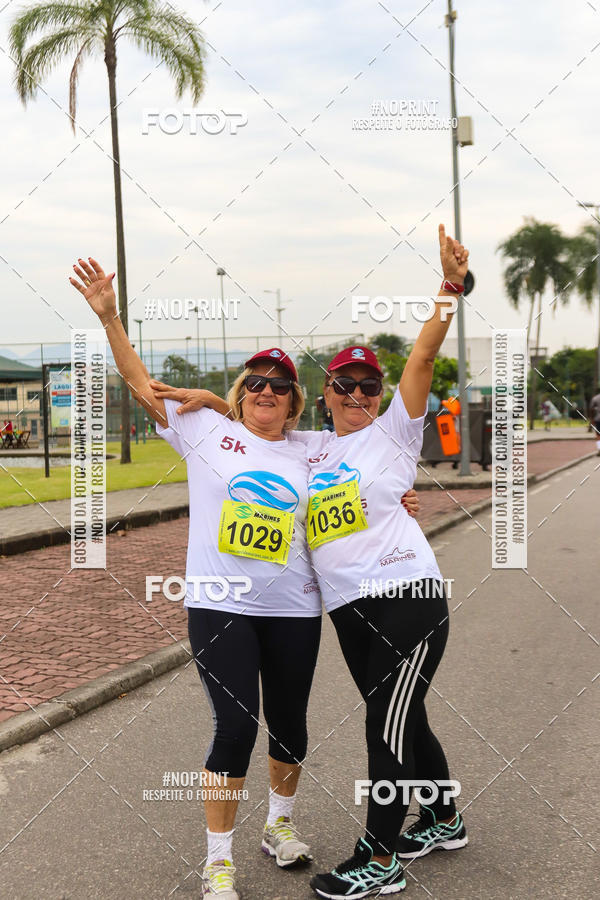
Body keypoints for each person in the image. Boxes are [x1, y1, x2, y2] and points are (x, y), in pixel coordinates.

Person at [153, 224, 462, 898]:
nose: (358, 395)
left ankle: (379, 856)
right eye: (345, 385)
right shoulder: (311, 447)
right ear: (324, 396)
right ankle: (443, 814)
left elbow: (424, 359)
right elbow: (257, 432)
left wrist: (446, 290)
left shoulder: (396, 430)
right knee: (402, 713)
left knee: (387, 720)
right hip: (346, 606)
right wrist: (214, 403)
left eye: (368, 386)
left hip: (405, 596)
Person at [69, 258, 321, 900]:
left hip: (295, 606)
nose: (268, 391)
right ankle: (218, 862)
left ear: (294, 401)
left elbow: (369, 471)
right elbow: (141, 383)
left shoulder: (310, 450)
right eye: (257, 382)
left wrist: (400, 503)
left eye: (280, 386)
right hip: (220, 606)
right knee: (236, 728)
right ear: (244, 391)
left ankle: (279, 826)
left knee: (290, 724)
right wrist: (108, 316)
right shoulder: (205, 429)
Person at [589, 386, 600, 455]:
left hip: (598, 419)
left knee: (598, 435)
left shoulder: (595, 398)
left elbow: (591, 409)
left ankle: (599, 449)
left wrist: (592, 419)